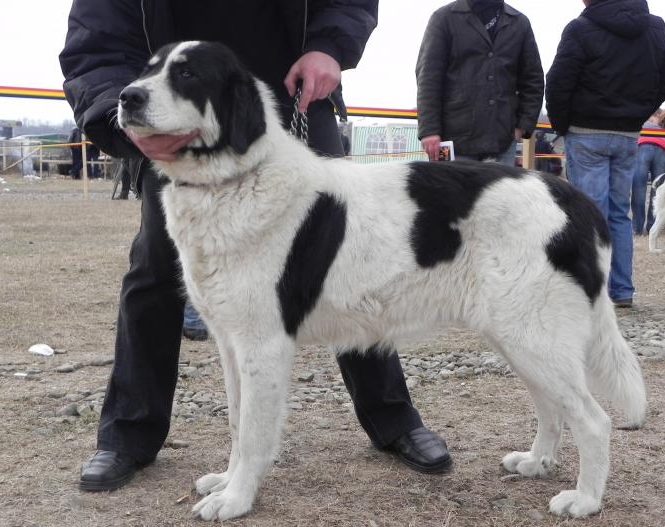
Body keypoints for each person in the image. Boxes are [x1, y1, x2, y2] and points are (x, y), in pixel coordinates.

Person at [59, 1, 452, 492]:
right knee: (156, 270)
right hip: (174, 116)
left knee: (350, 261)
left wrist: (328, 47)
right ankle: (128, 435)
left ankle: (394, 420)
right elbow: (96, 39)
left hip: (293, 94)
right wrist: (115, 116)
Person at [545, 0, 665, 308]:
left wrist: (563, 125)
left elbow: (559, 82)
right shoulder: (654, 28)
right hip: (628, 132)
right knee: (619, 213)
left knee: (590, 213)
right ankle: (622, 290)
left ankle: (592, 292)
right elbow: (664, 81)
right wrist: (637, 114)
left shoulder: (580, 28)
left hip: (586, 131)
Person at [415, 0, 544, 165]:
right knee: (449, 191)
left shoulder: (519, 22)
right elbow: (428, 78)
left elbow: (533, 79)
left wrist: (522, 127)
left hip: (502, 141)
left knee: (502, 192)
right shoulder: (443, 18)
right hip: (451, 140)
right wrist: (430, 131)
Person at [631, 110, 665, 235]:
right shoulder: (661, 127)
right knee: (657, 189)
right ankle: (652, 226)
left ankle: (636, 227)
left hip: (642, 143)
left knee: (639, 187)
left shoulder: (638, 121)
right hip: (664, 146)